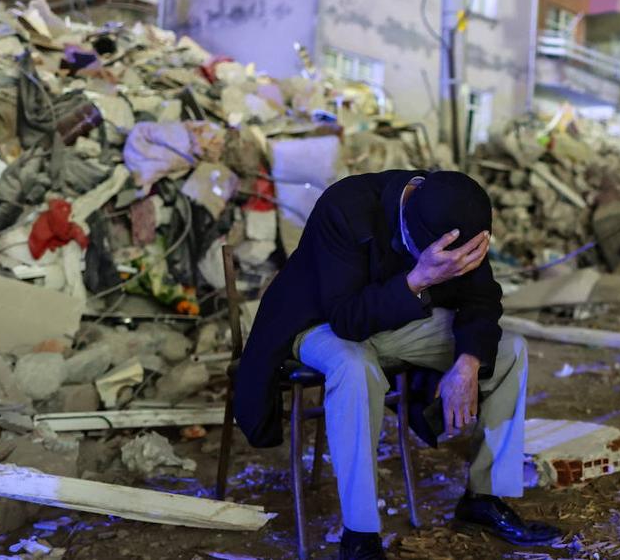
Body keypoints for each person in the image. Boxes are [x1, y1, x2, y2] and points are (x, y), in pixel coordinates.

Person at [235, 169, 561, 559]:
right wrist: (419, 278)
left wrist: (467, 363)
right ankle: (360, 535)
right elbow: (347, 320)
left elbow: (481, 299)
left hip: (399, 317)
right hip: (318, 322)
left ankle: (484, 498)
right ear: (410, 229)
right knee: (356, 369)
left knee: (509, 349)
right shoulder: (346, 206)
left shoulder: (457, 210)